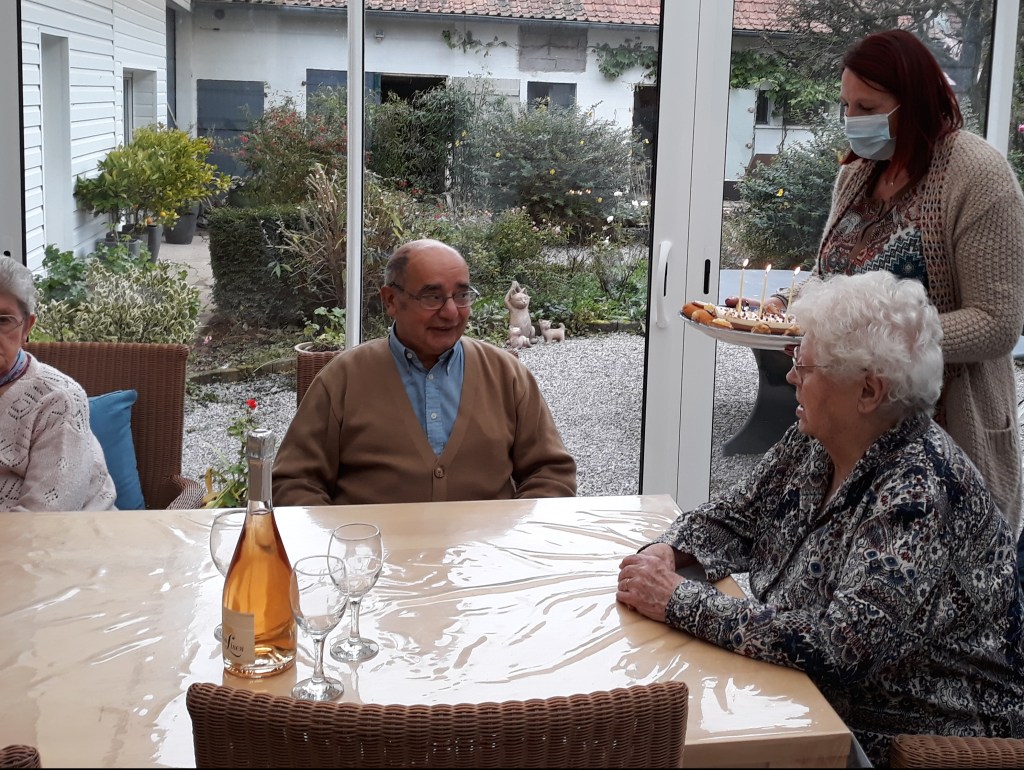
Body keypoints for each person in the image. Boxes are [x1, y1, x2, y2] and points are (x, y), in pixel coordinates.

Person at [619, 271, 1024, 767]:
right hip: (806, 698)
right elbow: (738, 516)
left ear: (869, 392)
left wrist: (678, 599)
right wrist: (669, 550)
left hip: (904, 738)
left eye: (804, 366)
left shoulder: (918, 491)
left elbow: (839, 647)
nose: (791, 376)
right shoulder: (815, 438)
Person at [756, 30, 1024, 539]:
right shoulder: (857, 174)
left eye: (868, 106)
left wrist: (874, 348)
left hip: (944, 434)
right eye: (847, 106)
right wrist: (784, 304)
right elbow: (833, 277)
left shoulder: (978, 175)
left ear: (916, 101)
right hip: (849, 432)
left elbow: (996, 325)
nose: (854, 120)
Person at [272, 238, 577, 505]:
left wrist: (510, 539)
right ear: (391, 300)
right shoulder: (344, 378)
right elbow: (295, 482)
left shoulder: (505, 373)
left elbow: (550, 473)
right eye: (432, 297)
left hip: (485, 564)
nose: (450, 311)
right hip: (376, 564)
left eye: (461, 295)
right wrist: (345, 550)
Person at [0, 258, 116, 512]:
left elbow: (45, 518)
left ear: (27, 327)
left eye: (3, 320)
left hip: (69, 540)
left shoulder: (58, 399)